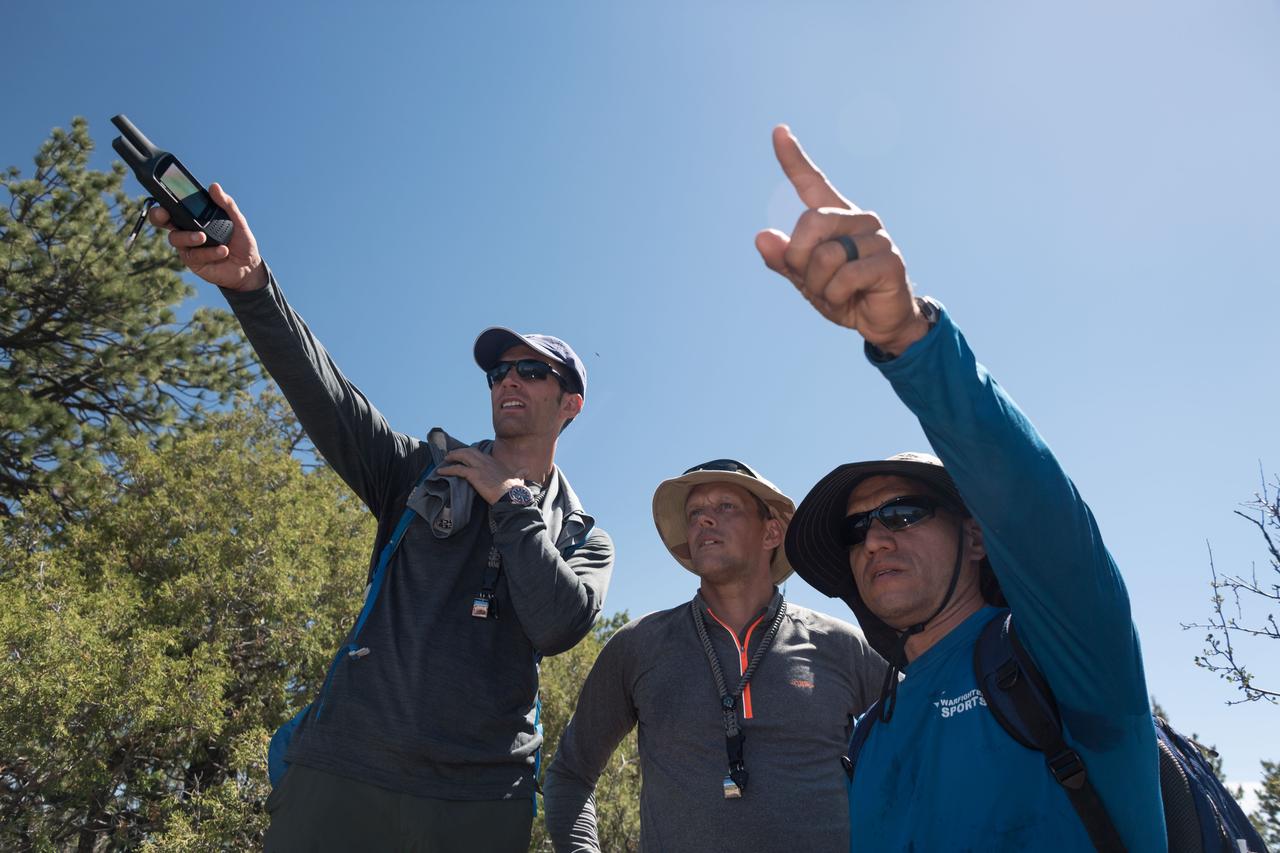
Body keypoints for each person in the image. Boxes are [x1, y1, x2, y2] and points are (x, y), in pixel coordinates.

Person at [149, 185, 614, 851]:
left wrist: (509, 504)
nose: (507, 380)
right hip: (342, 774)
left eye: (531, 371)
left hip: (479, 800)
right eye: (499, 371)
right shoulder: (416, 470)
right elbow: (328, 393)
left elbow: (556, 623)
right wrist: (252, 286)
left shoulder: (583, 536)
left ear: (569, 403)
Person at [757, 125, 1165, 851]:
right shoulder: (867, 734)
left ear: (976, 533)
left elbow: (1034, 506)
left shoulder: (1067, 656)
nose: (874, 537)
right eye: (856, 529)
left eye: (902, 512)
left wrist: (910, 341)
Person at [543, 459, 886, 852]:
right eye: (695, 513)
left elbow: (928, 749)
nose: (705, 520)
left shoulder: (842, 646)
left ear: (771, 531)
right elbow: (570, 773)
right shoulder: (638, 645)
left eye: (726, 506)